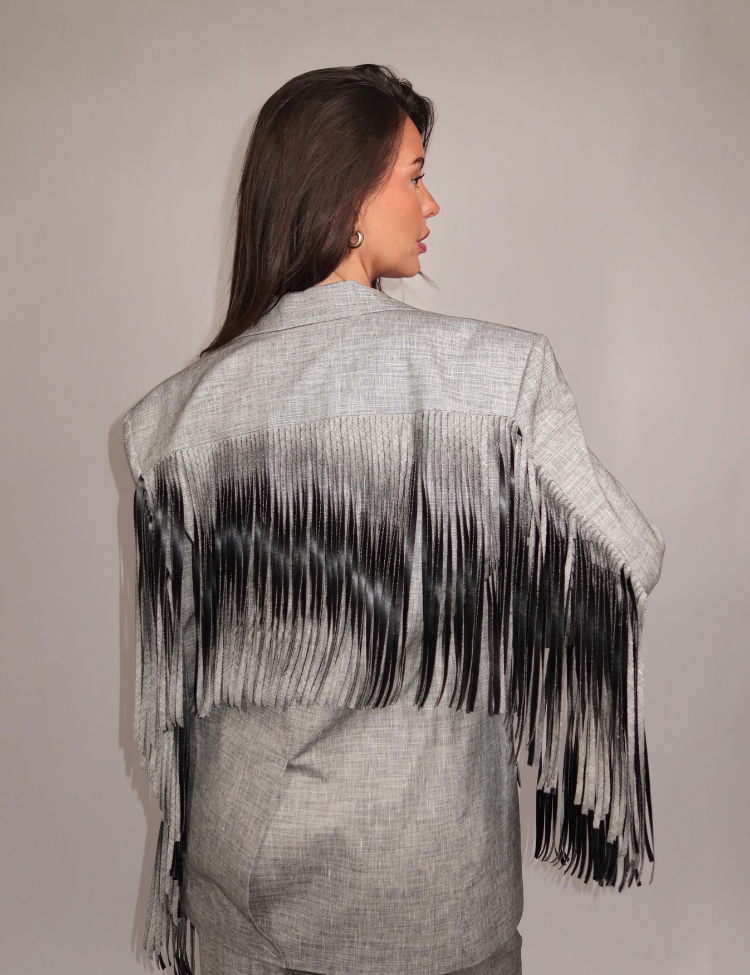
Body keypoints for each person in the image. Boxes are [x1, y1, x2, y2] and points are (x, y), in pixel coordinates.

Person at [123, 64, 665, 975]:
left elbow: (185, 680)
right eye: (415, 175)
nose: (431, 202)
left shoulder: (173, 421)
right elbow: (626, 556)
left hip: (242, 888)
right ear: (344, 194)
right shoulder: (497, 379)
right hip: (434, 884)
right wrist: (478, 574)